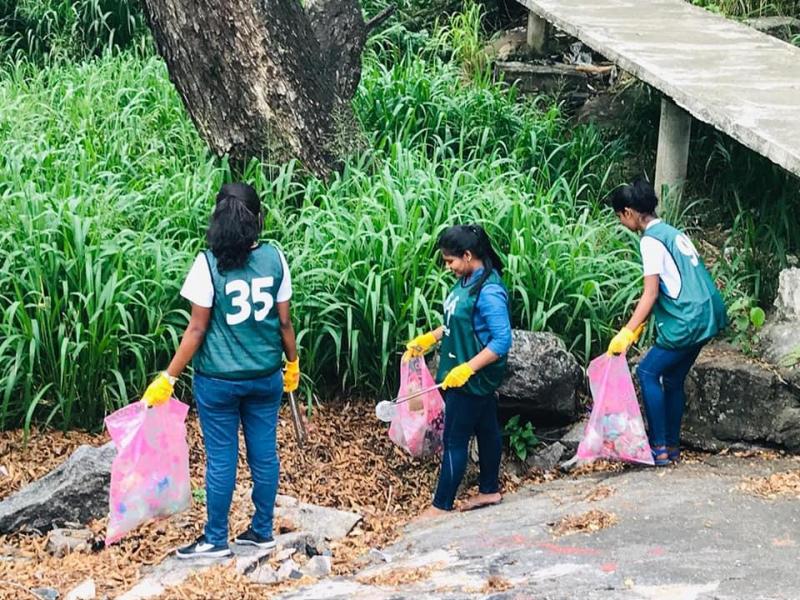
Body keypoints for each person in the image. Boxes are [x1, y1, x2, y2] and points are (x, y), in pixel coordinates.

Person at [141, 182, 300, 558]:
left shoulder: (207, 264)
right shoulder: (275, 258)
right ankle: (262, 531)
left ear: (217, 220)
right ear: (259, 219)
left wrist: (169, 377)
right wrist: (292, 363)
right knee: (264, 455)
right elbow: (285, 324)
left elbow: (196, 329)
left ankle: (215, 539)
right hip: (265, 377)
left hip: (218, 382)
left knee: (222, 459)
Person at [607, 178, 727, 466]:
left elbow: (650, 294)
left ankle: (658, 448)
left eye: (620, 217)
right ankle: (671, 448)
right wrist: (641, 326)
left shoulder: (650, 240)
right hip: (707, 316)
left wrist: (626, 332)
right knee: (672, 379)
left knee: (648, 372)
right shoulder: (672, 231)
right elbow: (674, 284)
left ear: (629, 212)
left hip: (687, 322)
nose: (622, 223)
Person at [407, 224, 512, 518]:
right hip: (462, 371)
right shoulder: (466, 281)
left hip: (470, 378)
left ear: (467, 255)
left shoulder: (489, 290)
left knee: (454, 440)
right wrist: (430, 338)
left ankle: (441, 505)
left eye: (450, 261)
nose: (448, 267)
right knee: (488, 429)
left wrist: (468, 368)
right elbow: (457, 320)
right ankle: (489, 489)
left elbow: (502, 340)